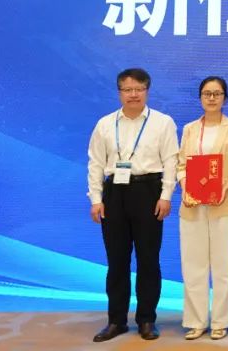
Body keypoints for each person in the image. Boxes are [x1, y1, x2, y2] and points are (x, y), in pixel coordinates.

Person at [87, 68, 178, 342]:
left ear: (147, 91)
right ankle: (116, 321)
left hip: (148, 191)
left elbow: (171, 161)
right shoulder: (105, 124)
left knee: (148, 259)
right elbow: (95, 163)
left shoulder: (162, 122)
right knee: (117, 261)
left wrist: (166, 196)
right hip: (114, 193)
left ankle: (147, 319)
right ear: (119, 93)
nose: (133, 94)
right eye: (127, 89)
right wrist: (96, 199)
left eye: (139, 89)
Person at [176, 76, 228, 341]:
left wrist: (223, 188)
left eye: (217, 93)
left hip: (225, 203)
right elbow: (181, 165)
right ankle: (196, 321)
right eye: (207, 93)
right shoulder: (190, 129)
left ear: (225, 98)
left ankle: (221, 320)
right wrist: (186, 189)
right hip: (193, 205)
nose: (212, 98)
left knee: (223, 265)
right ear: (200, 98)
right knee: (193, 265)